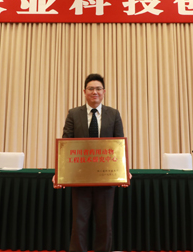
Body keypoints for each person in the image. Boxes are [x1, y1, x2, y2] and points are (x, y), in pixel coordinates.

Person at [53, 73, 128, 252]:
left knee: (104, 223)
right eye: (91, 89)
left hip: (106, 178)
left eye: (98, 89)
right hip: (80, 178)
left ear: (104, 92)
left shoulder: (113, 114)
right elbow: (66, 145)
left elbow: (119, 145)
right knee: (79, 222)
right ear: (84, 92)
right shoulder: (73, 114)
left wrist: (124, 171)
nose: (95, 92)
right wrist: (60, 173)